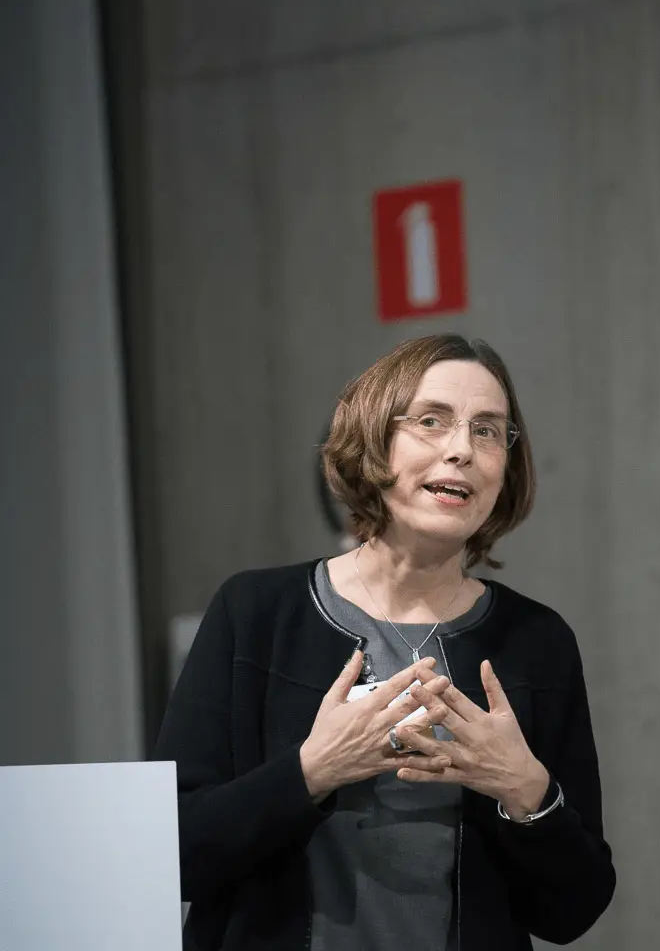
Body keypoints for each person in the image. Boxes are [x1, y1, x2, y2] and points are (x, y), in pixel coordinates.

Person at [154, 334, 615, 950]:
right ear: (374, 439)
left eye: (487, 430)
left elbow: (572, 912)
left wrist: (525, 789)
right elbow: (173, 852)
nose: (462, 449)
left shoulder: (536, 641)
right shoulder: (256, 613)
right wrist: (311, 772)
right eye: (431, 421)